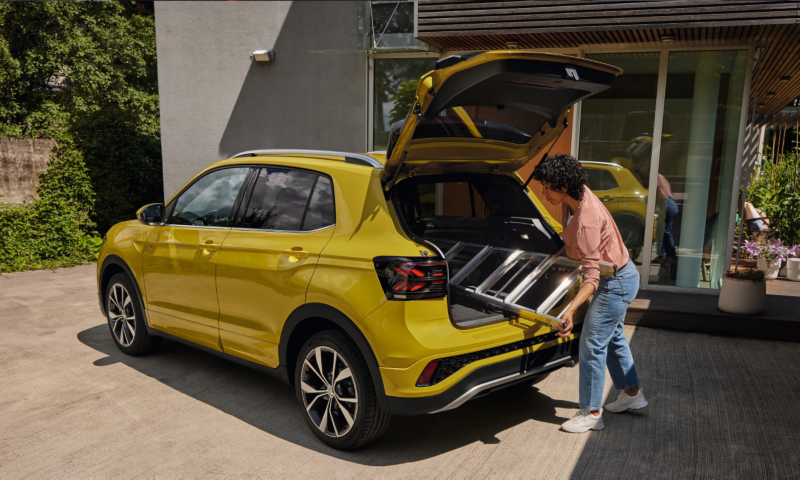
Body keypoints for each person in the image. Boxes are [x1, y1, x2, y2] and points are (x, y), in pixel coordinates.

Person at [531, 154, 648, 433]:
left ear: (562, 186)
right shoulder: (577, 195)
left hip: (615, 283)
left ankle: (591, 412)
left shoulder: (587, 218)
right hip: (620, 276)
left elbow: (592, 277)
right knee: (612, 337)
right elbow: (576, 242)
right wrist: (564, 250)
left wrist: (570, 310)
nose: (544, 193)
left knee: (592, 343)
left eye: (547, 187)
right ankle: (632, 395)